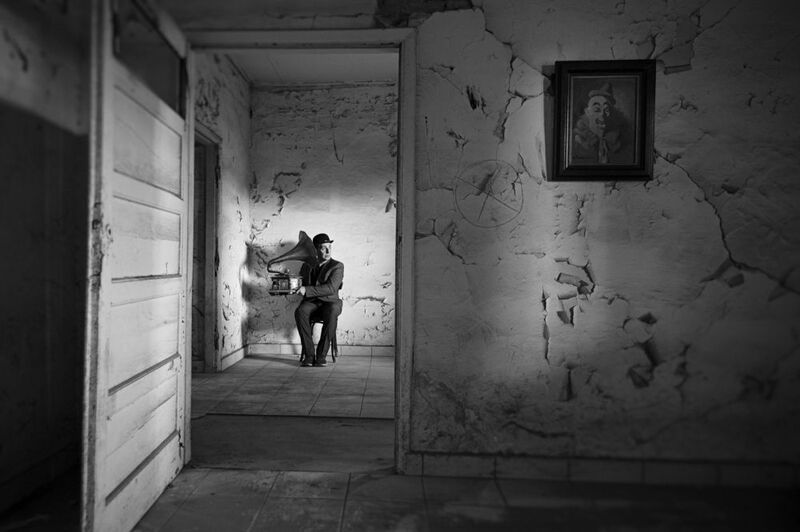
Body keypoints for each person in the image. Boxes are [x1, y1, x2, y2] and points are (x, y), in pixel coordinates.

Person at [294, 233, 344, 367]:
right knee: (300, 312)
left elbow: (331, 288)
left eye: (329, 247)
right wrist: (291, 282)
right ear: (315, 249)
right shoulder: (307, 266)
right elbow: (301, 283)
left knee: (332, 311)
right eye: (323, 248)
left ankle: (321, 356)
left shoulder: (338, 266)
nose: (328, 251)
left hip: (331, 302)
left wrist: (307, 290)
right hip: (312, 302)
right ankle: (309, 355)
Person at [572, 82, 633, 164]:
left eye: (606, 110)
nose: (602, 114)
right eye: (597, 109)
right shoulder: (577, 139)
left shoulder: (621, 140)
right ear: (587, 112)